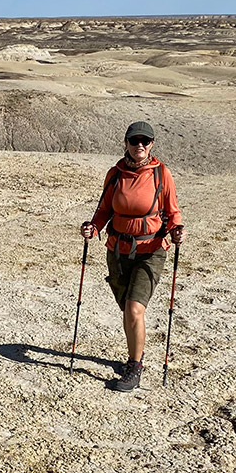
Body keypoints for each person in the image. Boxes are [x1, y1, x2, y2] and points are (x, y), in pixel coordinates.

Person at [81, 121, 184, 392]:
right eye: (134, 140)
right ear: (125, 143)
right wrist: (93, 227)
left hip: (151, 250)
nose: (140, 145)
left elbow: (173, 212)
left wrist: (177, 230)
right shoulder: (115, 174)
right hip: (117, 250)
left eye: (145, 141)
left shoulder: (162, 174)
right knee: (127, 309)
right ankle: (134, 356)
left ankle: (134, 366)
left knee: (134, 309)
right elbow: (104, 209)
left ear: (151, 144)